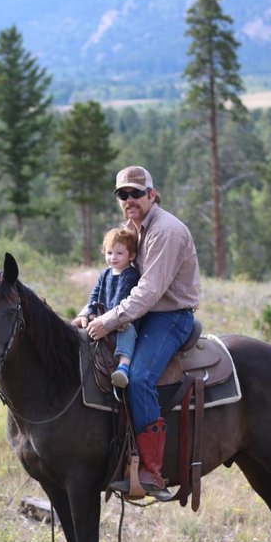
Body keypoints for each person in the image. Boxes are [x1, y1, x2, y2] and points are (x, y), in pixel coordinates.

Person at [86, 166, 201, 498]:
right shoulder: (131, 229)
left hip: (170, 316)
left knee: (137, 378)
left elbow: (149, 292)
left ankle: (152, 470)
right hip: (142, 313)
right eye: (123, 194)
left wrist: (109, 320)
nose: (129, 199)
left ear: (152, 194)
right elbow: (112, 273)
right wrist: (90, 312)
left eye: (136, 193)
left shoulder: (166, 231)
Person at [72, 226, 140, 388]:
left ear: (131, 255)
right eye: (109, 253)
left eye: (119, 253)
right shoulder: (105, 274)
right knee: (82, 331)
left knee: (128, 332)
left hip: (122, 320)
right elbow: (94, 296)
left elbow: (122, 300)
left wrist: (107, 320)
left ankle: (123, 366)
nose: (113, 258)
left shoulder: (131, 275)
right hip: (102, 319)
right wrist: (90, 313)